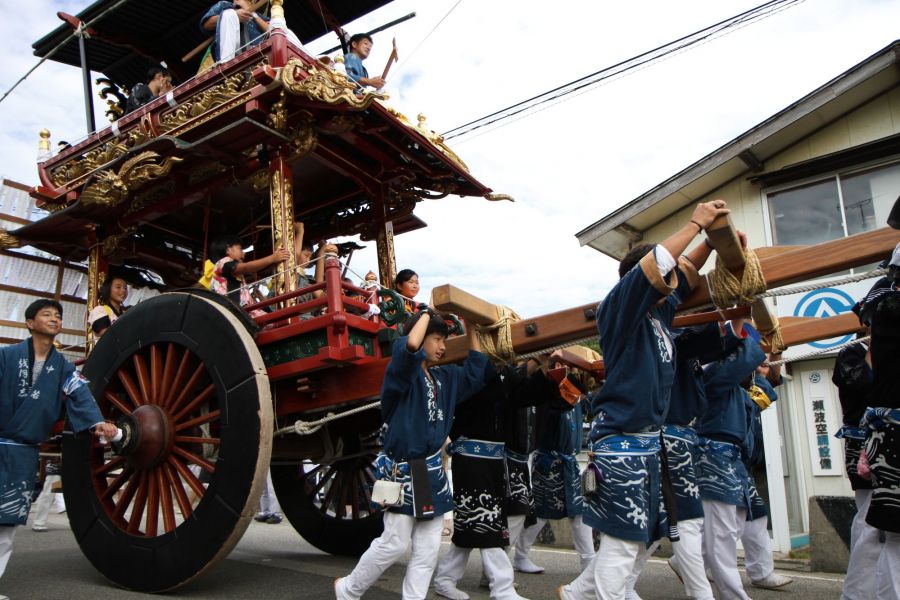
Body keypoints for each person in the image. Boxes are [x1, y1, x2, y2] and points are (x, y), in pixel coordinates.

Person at [559, 199, 729, 600]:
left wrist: (712, 240)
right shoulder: (619, 308)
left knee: (638, 540)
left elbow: (683, 274)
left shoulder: (659, 313)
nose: (671, 287)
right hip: (619, 441)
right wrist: (694, 222)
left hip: (646, 444)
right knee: (621, 544)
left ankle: (579, 594)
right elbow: (658, 265)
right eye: (661, 278)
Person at [335, 307, 490, 600]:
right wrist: (424, 315)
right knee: (394, 543)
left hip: (431, 474)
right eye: (436, 339)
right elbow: (409, 348)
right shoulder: (400, 375)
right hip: (402, 472)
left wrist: (471, 325)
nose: (442, 346)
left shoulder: (445, 377)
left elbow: (475, 371)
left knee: (428, 549)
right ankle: (349, 588)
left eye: (444, 340)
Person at [0, 299, 118, 579]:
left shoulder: (63, 368)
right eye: (46, 314)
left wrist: (97, 422)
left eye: (58, 315)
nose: (54, 319)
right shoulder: (6, 357)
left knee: (6, 526)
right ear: (30, 323)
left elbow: (80, 395)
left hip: (24, 452)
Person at [432, 353, 565, 600]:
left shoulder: (499, 378)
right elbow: (493, 388)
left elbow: (524, 395)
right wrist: (525, 365)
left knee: (471, 526)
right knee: (487, 523)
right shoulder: (468, 373)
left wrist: (544, 369)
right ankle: (501, 587)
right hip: (470, 458)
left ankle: (445, 578)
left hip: (493, 459)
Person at [635, 321, 737, 600]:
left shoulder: (676, 339)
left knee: (660, 522)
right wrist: (731, 321)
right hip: (669, 437)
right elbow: (699, 339)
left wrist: (738, 327)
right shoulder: (666, 333)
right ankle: (701, 592)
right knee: (686, 520)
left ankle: (588, 588)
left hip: (678, 437)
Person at [693, 321, 766, 600]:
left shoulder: (736, 386)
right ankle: (732, 594)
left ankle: (689, 561)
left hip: (731, 459)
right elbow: (744, 360)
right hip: (713, 455)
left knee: (734, 523)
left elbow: (766, 388)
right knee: (722, 531)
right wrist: (751, 332)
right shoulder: (710, 372)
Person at [515, 350, 597, 574]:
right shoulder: (552, 392)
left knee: (579, 513)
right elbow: (562, 404)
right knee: (542, 513)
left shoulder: (581, 399)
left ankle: (589, 562)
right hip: (548, 462)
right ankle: (520, 556)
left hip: (568, 462)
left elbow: (596, 402)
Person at [857, 242, 900, 600]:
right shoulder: (849, 353)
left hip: (886, 435)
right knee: (884, 530)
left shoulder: (884, 310)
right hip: (890, 435)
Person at [737, 357, 793, 590]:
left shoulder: (748, 379)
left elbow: (771, 379)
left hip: (742, 461)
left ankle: (761, 571)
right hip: (724, 457)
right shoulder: (729, 380)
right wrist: (759, 372)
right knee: (725, 519)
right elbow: (759, 397)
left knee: (754, 514)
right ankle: (689, 560)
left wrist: (775, 356)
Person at [834, 332, 878, 600]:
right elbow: (864, 383)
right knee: (870, 517)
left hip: (887, 441)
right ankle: (857, 593)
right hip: (864, 443)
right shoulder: (851, 352)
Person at [209, 235, 289, 309]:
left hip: (239, 308)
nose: (243, 253)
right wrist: (272, 258)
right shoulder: (224, 262)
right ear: (228, 249)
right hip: (233, 309)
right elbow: (246, 267)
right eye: (240, 248)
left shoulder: (229, 268)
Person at [201, 1, 270, 64]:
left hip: (260, 54)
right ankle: (226, 63)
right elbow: (206, 25)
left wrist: (253, 14)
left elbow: (275, 32)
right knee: (228, 13)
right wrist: (234, 15)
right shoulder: (224, 5)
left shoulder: (259, 16)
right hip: (234, 54)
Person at [30, 454, 64, 532]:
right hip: (56, 464)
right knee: (48, 494)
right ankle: (38, 522)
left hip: (68, 464)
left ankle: (38, 522)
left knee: (48, 494)